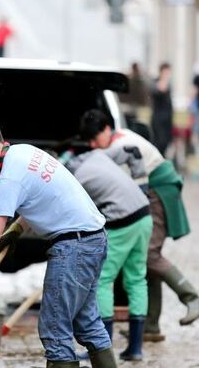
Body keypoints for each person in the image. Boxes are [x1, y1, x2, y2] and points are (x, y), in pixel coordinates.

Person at [0, 114, 116, 368]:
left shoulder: (8, 176)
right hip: (93, 239)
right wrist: (17, 230)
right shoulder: (24, 152)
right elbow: (40, 196)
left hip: (74, 246)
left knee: (54, 328)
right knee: (87, 324)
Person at [79, 109, 199, 343]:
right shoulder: (121, 136)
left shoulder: (119, 147)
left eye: (94, 139)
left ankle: (192, 299)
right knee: (145, 260)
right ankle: (150, 325)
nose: (92, 145)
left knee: (148, 255)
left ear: (107, 129)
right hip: (153, 190)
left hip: (157, 191)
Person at [65, 149, 153, 361]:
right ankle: (135, 349)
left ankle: (103, 346)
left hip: (124, 221)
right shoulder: (98, 155)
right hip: (145, 214)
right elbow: (133, 152)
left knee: (103, 279)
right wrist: (144, 186)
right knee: (136, 279)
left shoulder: (75, 179)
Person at [151, 62, 174, 156]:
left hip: (167, 119)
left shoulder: (168, 83)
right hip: (159, 118)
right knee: (159, 142)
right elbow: (161, 89)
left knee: (166, 142)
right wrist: (164, 78)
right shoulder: (157, 82)